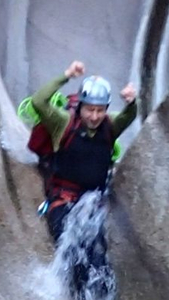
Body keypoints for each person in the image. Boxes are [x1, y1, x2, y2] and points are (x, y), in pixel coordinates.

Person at [19, 60, 139, 245]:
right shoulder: (63, 123)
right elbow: (39, 101)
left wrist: (131, 103)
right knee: (69, 245)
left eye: (100, 110)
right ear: (80, 106)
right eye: (89, 109)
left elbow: (129, 116)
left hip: (92, 203)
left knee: (97, 258)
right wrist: (67, 75)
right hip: (63, 199)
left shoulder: (110, 126)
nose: (94, 116)